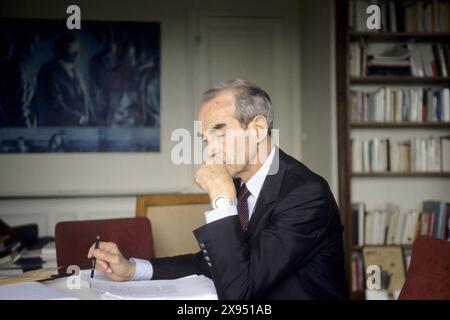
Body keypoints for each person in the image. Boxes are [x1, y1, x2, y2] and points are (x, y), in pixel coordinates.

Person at [87, 79, 348, 299]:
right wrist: (132, 270)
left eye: (220, 133)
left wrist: (223, 201)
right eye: (206, 139)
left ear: (258, 129)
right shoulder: (241, 184)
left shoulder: (306, 194)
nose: (210, 150)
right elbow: (212, 263)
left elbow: (239, 293)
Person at [34, 34, 92, 126]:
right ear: (60, 49)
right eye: (71, 47)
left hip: (80, 129)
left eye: (76, 48)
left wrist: (90, 120)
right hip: (57, 130)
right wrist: (80, 119)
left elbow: (85, 101)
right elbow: (55, 104)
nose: (76, 52)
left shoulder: (76, 73)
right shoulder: (48, 71)